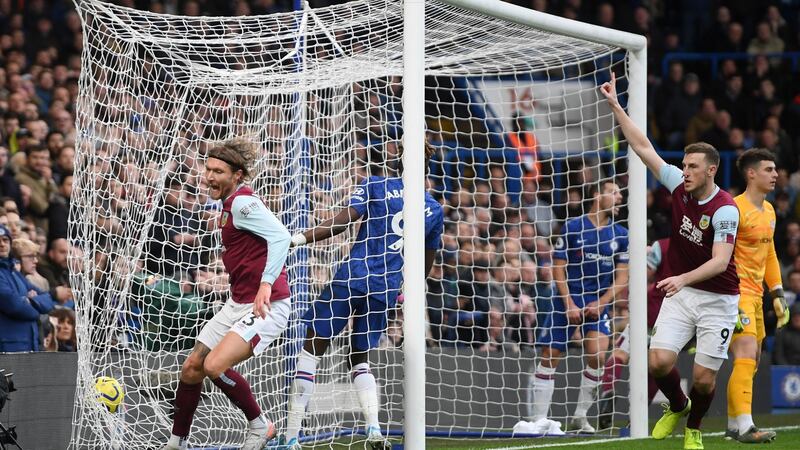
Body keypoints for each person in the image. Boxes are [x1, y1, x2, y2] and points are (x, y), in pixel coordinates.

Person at [601, 73, 740, 449]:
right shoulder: (678, 185)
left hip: (718, 298)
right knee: (659, 363)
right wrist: (616, 105)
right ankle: (677, 408)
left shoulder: (726, 210)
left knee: (703, 379)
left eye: (693, 166)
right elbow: (644, 147)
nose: (686, 171)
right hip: (684, 293)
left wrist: (681, 278)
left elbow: (720, 261)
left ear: (711, 169)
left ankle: (694, 427)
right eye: (685, 165)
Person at [281, 141, 444, 450]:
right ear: (425, 170)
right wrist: (405, 291)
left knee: (312, 348)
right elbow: (426, 264)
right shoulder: (433, 209)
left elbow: (343, 221)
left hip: (352, 278)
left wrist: (298, 238)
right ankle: (373, 429)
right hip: (384, 290)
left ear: (398, 163)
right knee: (360, 359)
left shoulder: (376, 184)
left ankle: (291, 438)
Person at [162, 140, 292, 450]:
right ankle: (176, 442)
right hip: (238, 302)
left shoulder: (243, 204)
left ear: (237, 175)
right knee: (193, 366)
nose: (209, 176)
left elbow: (281, 237)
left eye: (218, 171)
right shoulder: (228, 205)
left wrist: (265, 284)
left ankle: (261, 426)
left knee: (213, 366)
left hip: (266, 304)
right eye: (207, 169)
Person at [529, 180, 629, 434]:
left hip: (597, 303)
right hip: (567, 300)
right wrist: (569, 303)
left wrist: (602, 302)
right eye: (614, 192)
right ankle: (539, 420)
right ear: (597, 195)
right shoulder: (573, 227)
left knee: (597, 354)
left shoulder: (622, 235)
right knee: (550, 356)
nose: (619, 198)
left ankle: (580, 416)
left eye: (620, 194)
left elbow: (622, 278)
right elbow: (558, 268)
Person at [725, 149, 788, 443]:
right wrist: (729, 296)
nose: (775, 175)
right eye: (769, 169)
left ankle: (733, 425)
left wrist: (776, 292)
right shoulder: (733, 210)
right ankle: (747, 428)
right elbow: (720, 256)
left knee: (753, 361)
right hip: (736, 294)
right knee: (746, 356)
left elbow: (770, 253)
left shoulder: (770, 211)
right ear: (752, 173)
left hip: (757, 295)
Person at [597, 238, 671, 429]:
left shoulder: (661, 246)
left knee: (619, 354)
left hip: (651, 309)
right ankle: (637, 416)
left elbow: (642, 276)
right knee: (658, 367)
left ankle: (608, 391)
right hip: (677, 315)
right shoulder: (701, 251)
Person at [0, 224, 55, 351]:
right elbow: (15, 306)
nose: (2, 244)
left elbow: (47, 300)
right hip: (8, 349)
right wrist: (35, 307)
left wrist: (29, 301)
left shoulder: (14, 273)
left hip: (30, 345)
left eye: (5, 240)